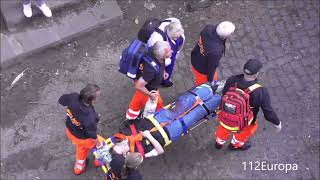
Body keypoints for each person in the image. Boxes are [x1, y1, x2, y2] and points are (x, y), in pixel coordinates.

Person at [214, 59, 282, 151]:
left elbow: (224, 94)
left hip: (226, 115)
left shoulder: (232, 79)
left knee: (223, 129)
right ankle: (234, 145)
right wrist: (277, 123)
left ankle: (219, 143)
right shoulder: (260, 91)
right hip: (246, 121)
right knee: (242, 134)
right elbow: (268, 113)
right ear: (256, 74)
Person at [58, 84, 104, 175]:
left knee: (81, 148)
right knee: (102, 145)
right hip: (83, 138)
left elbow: (61, 100)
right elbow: (92, 135)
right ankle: (98, 162)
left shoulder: (73, 98)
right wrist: (99, 145)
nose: (99, 97)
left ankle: (78, 169)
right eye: (98, 96)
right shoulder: (89, 117)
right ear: (92, 100)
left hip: (71, 131)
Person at [126, 41, 172, 120]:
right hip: (146, 90)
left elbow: (161, 64)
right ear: (162, 55)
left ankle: (158, 114)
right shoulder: (150, 71)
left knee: (158, 103)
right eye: (169, 51)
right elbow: (139, 86)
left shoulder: (155, 52)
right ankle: (130, 120)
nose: (172, 51)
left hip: (151, 88)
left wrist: (163, 72)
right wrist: (150, 95)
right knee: (137, 105)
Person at [191, 21, 235, 86]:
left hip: (196, 56)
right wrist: (210, 81)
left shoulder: (208, 28)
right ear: (226, 36)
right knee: (203, 85)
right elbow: (212, 67)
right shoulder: (216, 51)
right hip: (201, 69)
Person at [147, 18, 185, 87]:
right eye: (176, 37)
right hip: (162, 60)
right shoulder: (156, 39)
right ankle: (163, 81)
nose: (177, 39)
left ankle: (165, 80)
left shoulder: (173, 22)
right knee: (162, 70)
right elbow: (157, 57)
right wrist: (167, 61)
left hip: (167, 57)